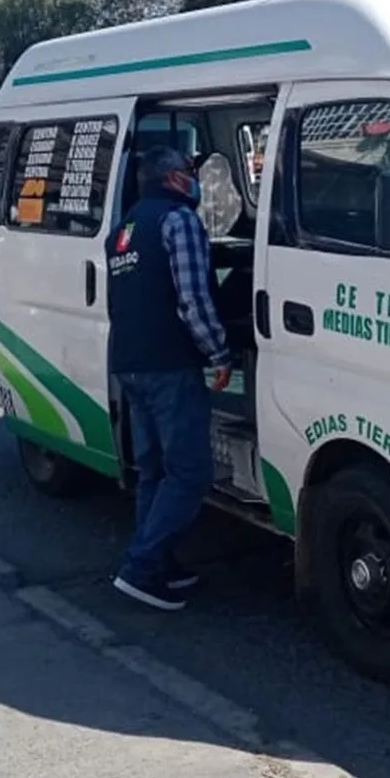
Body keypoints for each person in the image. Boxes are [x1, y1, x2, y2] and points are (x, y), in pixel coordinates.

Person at [104, 145, 232, 611]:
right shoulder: (179, 222)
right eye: (190, 171)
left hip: (129, 363)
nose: (195, 179)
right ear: (175, 179)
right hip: (169, 366)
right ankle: (140, 566)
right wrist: (219, 353)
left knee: (154, 471)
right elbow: (193, 301)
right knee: (191, 473)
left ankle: (159, 563)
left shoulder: (125, 226)